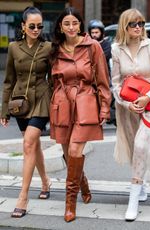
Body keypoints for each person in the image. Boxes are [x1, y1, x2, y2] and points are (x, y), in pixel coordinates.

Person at [49, 7, 111, 222]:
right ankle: (81, 181)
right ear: (60, 26)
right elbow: (49, 81)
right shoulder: (54, 49)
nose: (71, 27)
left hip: (85, 100)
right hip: (62, 102)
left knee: (75, 149)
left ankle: (70, 203)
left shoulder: (92, 46)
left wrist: (105, 107)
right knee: (68, 153)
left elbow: (103, 79)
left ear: (80, 24)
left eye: (75, 23)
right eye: (67, 23)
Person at [111, 8, 150, 221]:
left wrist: (148, 98)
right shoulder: (116, 49)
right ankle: (141, 182)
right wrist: (127, 104)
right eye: (134, 24)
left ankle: (133, 198)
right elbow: (115, 83)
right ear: (124, 27)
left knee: (142, 145)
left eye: (141, 23)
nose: (138, 27)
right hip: (128, 108)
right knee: (136, 147)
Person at [0, 7, 52, 218]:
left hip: (41, 99)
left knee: (29, 143)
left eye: (40, 26)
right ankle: (46, 182)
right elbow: (9, 81)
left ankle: (23, 197)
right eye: (32, 26)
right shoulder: (13, 48)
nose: (36, 29)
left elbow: (55, 76)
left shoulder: (48, 47)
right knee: (34, 144)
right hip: (20, 103)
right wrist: (4, 110)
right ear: (23, 26)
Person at [88, 19, 116, 126]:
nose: (94, 35)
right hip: (90, 78)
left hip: (103, 76)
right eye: (92, 33)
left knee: (105, 98)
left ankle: (112, 117)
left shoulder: (106, 44)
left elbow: (103, 56)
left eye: (97, 32)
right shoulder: (87, 44)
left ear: (101, 33)